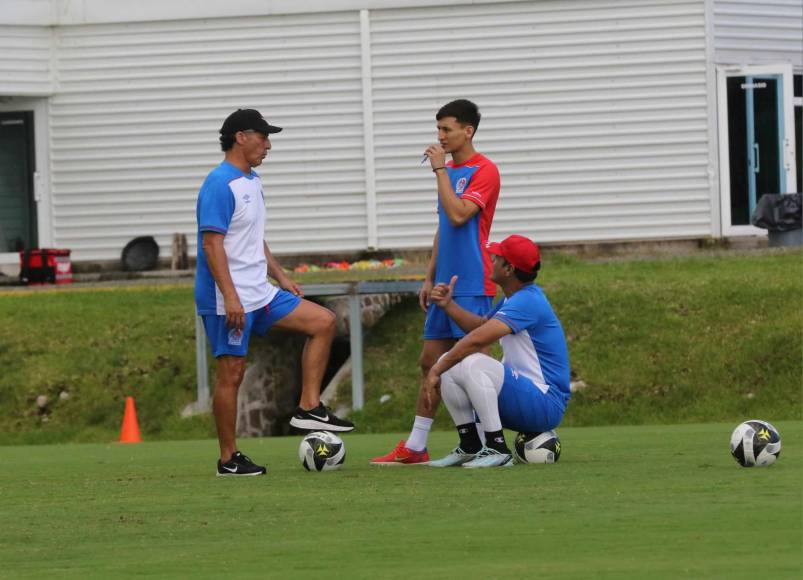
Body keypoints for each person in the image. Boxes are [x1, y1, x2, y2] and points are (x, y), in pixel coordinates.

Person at [195, 108, 354, 477]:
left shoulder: (252, 180)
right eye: (263, 137)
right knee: (231, 374)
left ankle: (309, 406)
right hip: (227, 298)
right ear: (240, 137)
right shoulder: (219, 183)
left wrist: (280, 275)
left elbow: (252, 237)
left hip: (260, 292)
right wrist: (231, 296)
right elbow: (212, 245)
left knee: (323, 321)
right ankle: (227, 459)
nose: (268, 145)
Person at [371, 99, 501, 464]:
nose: (440, 136)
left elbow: (460, 216)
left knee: (474, 365)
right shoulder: (448, 172)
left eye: (447, 129)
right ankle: (415, 445)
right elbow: (444, 228)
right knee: (430, 361)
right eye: (438, 130)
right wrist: (429, 276)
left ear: (468, 131)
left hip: (473, 281)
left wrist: (440, 171)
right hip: (444, 283)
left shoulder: (485, 170)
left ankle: (490, 443)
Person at [423, 234, 570, 468]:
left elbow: (476, 340)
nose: (491, 259)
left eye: (497, 257)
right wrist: (448, 305)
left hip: (545, 404)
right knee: (450, 360)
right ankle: (470, 445)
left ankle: (497, 448)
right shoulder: (515, 299)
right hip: (526, 398)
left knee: (471, 361)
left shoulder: (527, 301)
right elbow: (481, 327)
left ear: (509, 269)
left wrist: (436, 370)